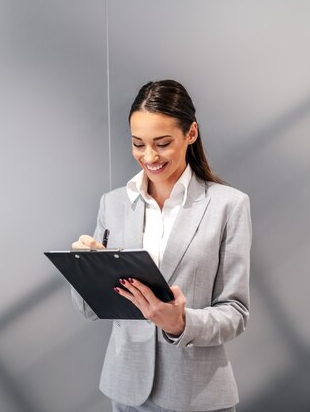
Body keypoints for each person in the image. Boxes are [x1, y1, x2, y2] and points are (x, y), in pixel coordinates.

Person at [71, 80, 251, 412]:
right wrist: (86, 267)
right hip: (127, 391)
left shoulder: (229, 205)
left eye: (163, 143)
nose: (149, 156)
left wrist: (181, 324)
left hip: (197, 396)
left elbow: (236, 313)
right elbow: (89, 309)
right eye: (138, 144)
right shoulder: (113, 204)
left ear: (191, 134)